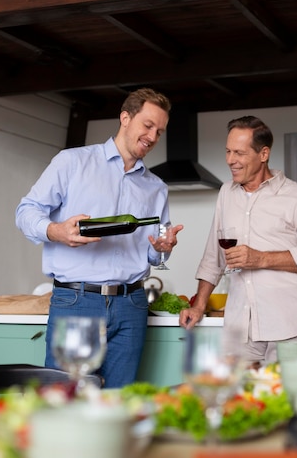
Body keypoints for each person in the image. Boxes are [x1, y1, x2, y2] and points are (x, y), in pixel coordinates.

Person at [16, 88, 183, 387]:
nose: (153, 136)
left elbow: (154, 253)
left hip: (132, 304)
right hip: (78, 300)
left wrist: (162, 248)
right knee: (65, 399)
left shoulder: (156, 188)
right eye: (147, 125)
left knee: (118, 404)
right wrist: (55, 230)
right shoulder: (72, 162)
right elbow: (26, 211)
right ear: (125, 117)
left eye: (160, 131)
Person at [179, 115, 297, 364]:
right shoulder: (227, 193)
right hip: (241, 329)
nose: (230, 160)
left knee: (287, 400)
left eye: (239, 153)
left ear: (263, 154)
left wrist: (260, 258)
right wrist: (198, 305)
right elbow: (213, 257)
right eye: (228, 151)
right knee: (238, 400)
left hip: (290, 328)